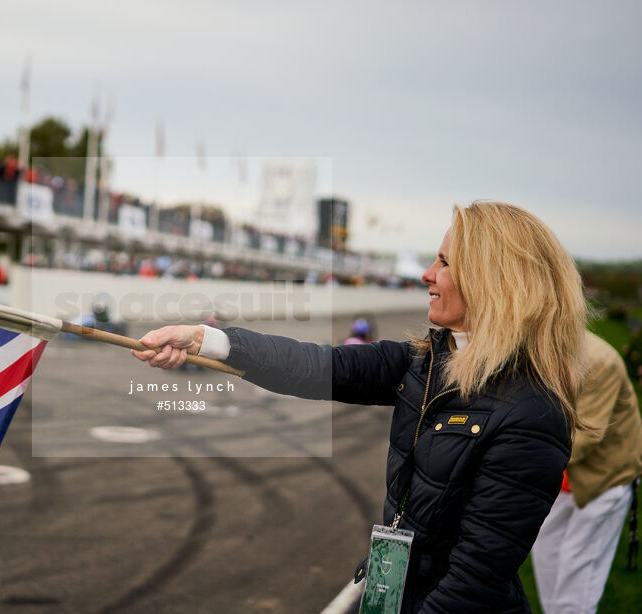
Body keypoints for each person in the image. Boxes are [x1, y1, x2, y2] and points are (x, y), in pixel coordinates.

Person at [132, 201, 587, 613]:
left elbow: (472, 584)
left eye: (445, 263)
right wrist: (205, 340)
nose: (427, 274)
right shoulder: (429, 360)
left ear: (495, 283)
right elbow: (315, 366)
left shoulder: (532, 414)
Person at [531, 331, 642, 614]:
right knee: (546, 563)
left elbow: (585, 437)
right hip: (562, 478)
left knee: (575, 584)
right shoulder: (535, 353)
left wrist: (513, 460)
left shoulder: (597, 360)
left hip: (604, 481)